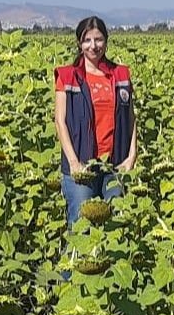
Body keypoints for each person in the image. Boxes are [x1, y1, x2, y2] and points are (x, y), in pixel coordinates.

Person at [53, 16, 137, 226]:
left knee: (118, 225)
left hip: (115, 166)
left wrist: (131, 157)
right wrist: (73, 163)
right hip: (82, 166)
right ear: (79, 44)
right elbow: (59, 121)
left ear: (106, 41)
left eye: (98, 39)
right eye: (87, 40)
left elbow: (131, 117)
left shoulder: (121, 75)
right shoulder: (68, 76)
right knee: (81, 226)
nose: (93, 46)